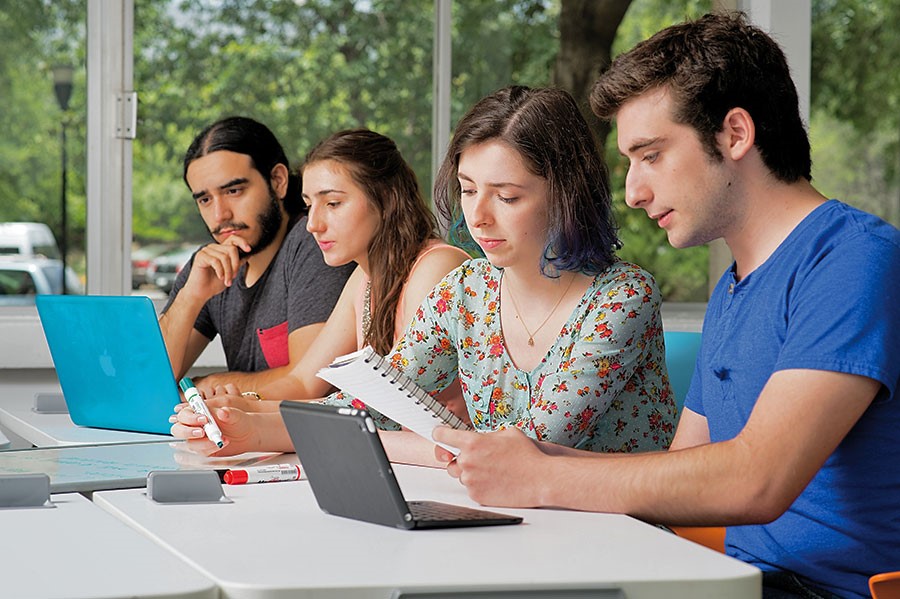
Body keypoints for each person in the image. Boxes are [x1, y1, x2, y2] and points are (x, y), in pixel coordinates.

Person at [433, 13, 900, 599]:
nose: (632, 192)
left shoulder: (855, 261)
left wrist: (544, 474)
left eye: (650, 155)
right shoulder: (736, 288)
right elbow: (681, 472)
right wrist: (526, 456)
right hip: (734, 578)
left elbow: (757, 480)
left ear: (734, 134)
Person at [171, 87, 677, 463]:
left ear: (566, 194)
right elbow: (378, 400)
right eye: (466, 188)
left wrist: (267, 429)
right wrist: (243, 422)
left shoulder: (620, 297)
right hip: (508, 518)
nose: (477, 217)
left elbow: (524, 454)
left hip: (614, 534)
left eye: (506, 196)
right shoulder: (467, 289)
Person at [170, 128, 471, 459]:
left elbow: (389, 407)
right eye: (309, 205)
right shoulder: (364, 278)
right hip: (405, 465)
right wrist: (232, 407)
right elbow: (304, 382)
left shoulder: (436, 267)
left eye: (333, 203)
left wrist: (253, 422)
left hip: (452, 472)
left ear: (386, 199)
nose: (313, 223)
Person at [159, 116, 354, 391]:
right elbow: (148, 381)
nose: (219, 215)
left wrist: (216, 383)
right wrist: (190, 297)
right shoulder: (210, 264)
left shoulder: (314, 241)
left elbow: (311, 380)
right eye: (204, 199)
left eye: (234, 190)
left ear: (278, 181)